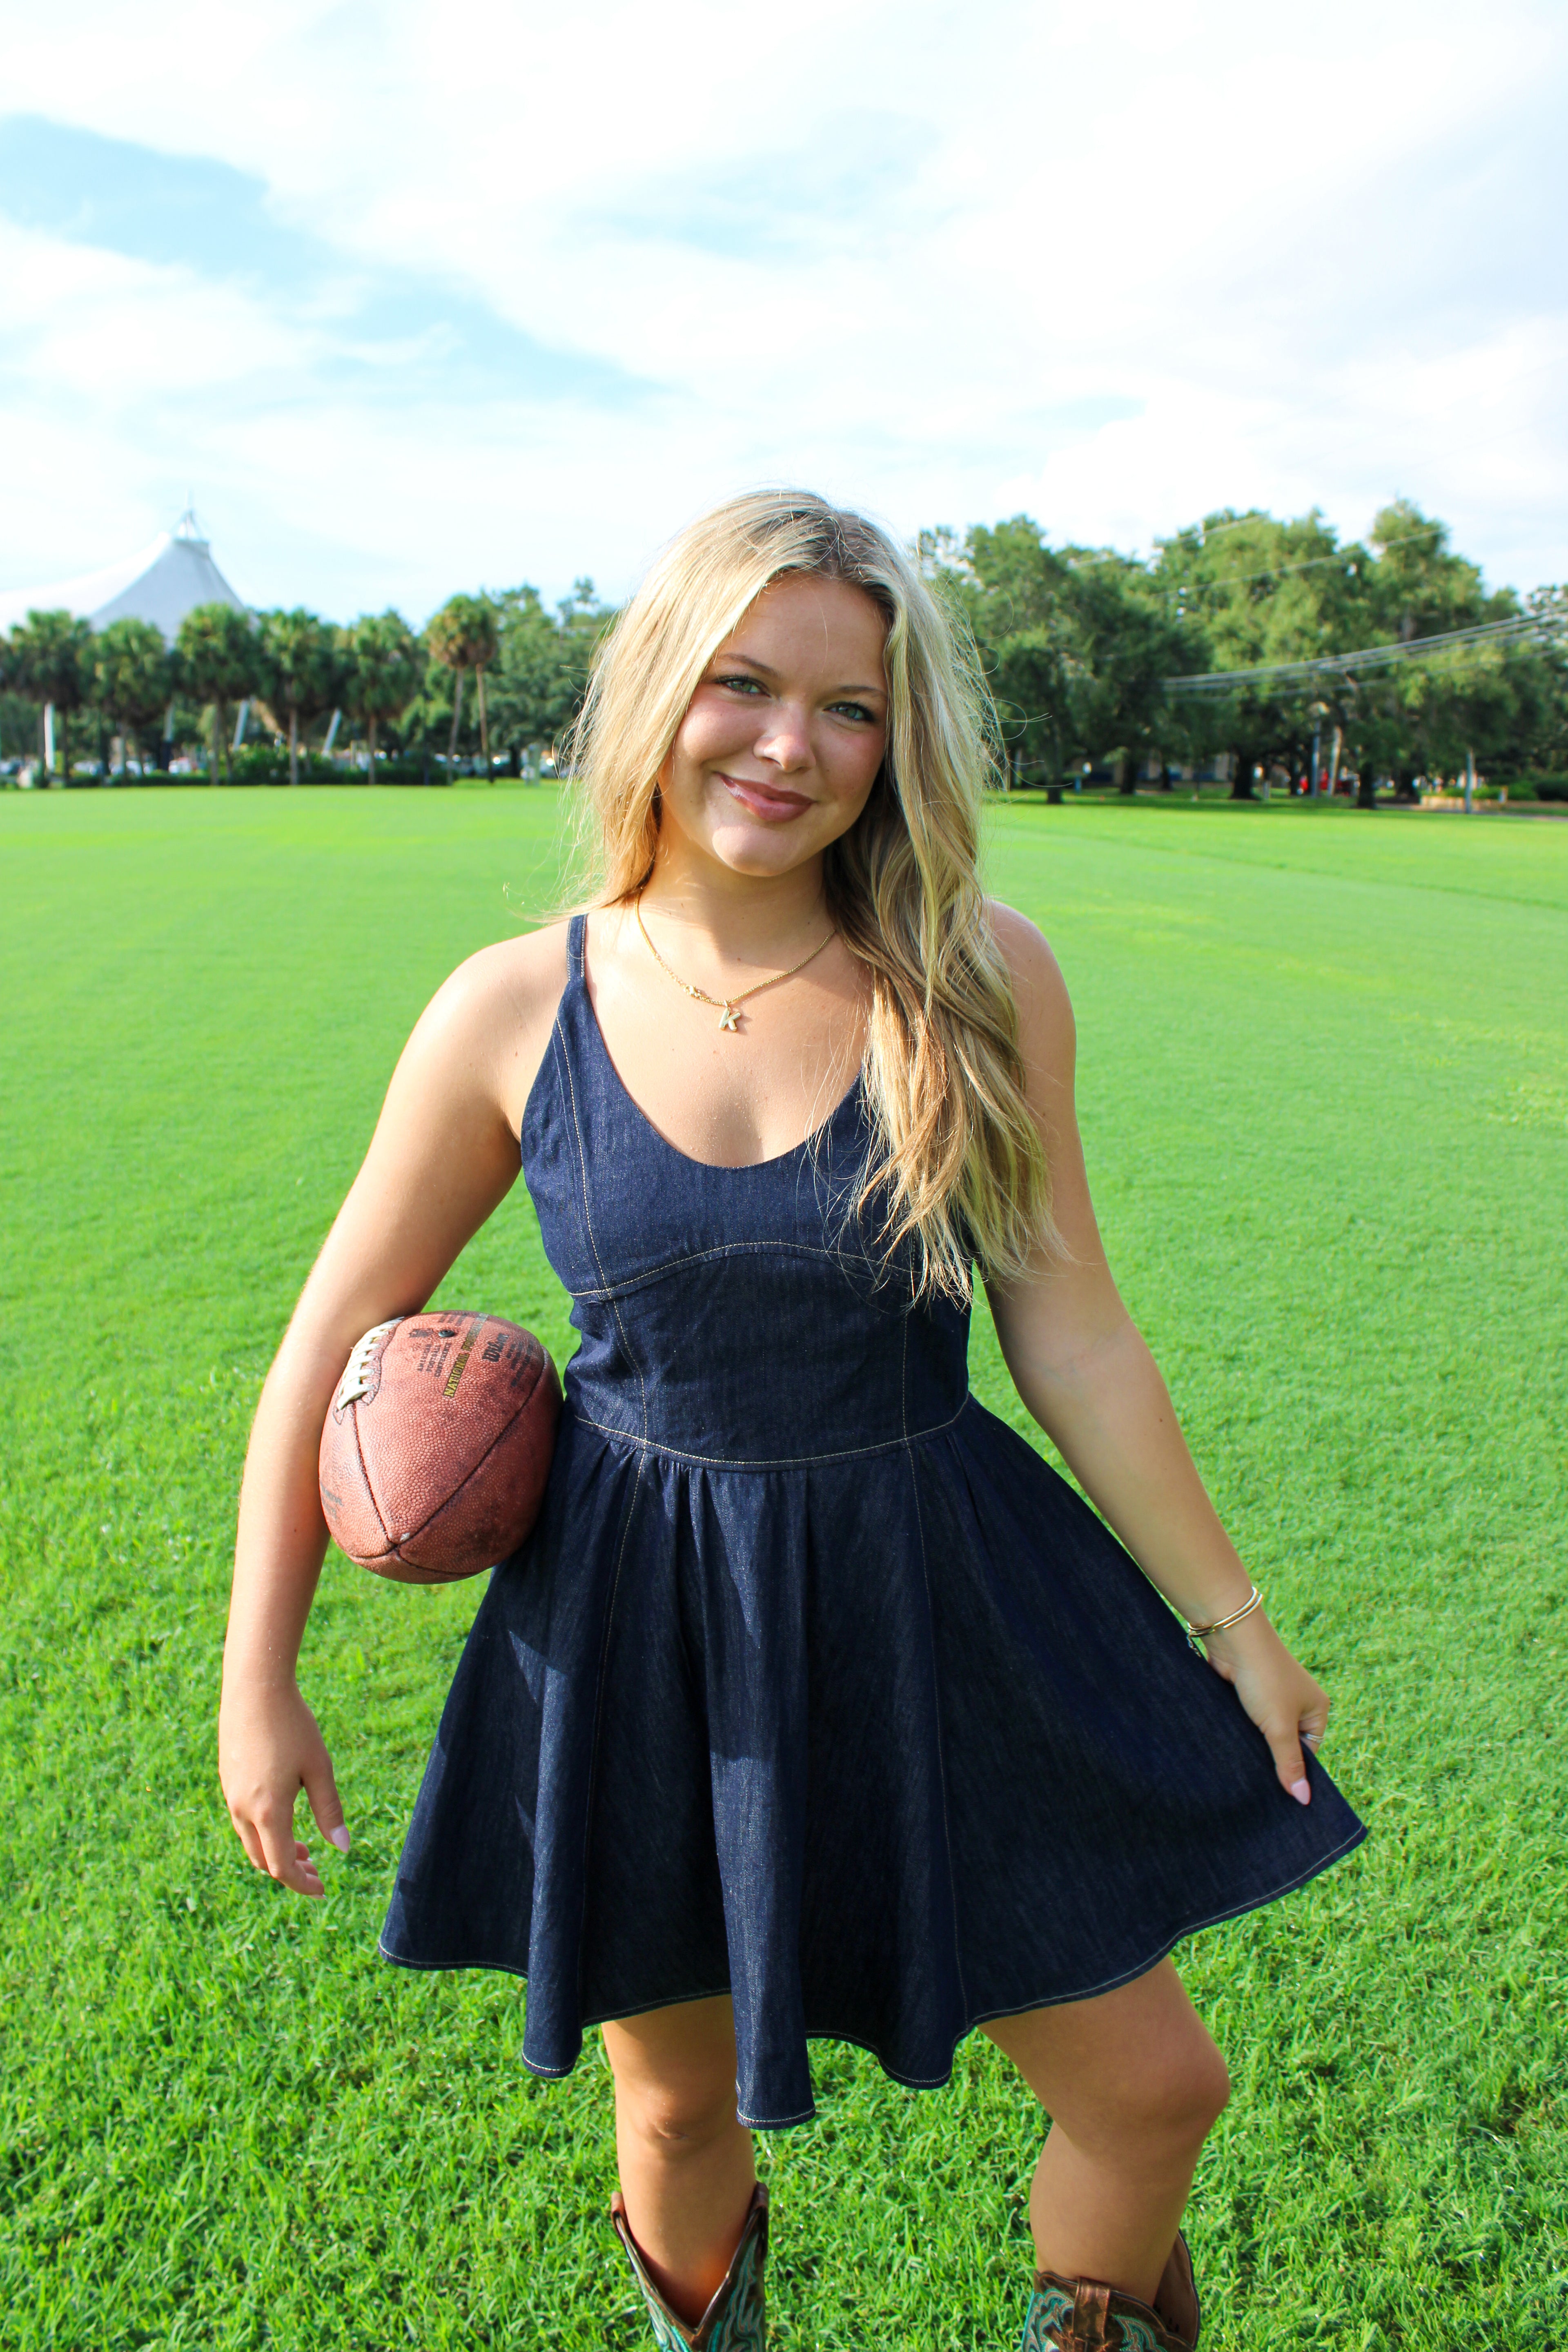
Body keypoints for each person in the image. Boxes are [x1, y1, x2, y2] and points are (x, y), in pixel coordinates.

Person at [219, 491, 1365, 2352]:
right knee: (678, 2110)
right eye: (743, 685)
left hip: (939, 1596)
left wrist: (1235, 1623)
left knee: (1156, 2090)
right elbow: (331, 1336)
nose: (789, 746)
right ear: (659, 691)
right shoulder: (514, 1006)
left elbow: (1070, 1328)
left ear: (898, 742)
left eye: (850, 708)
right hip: (640, 1630)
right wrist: (255, 1674)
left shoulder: (975, 975)